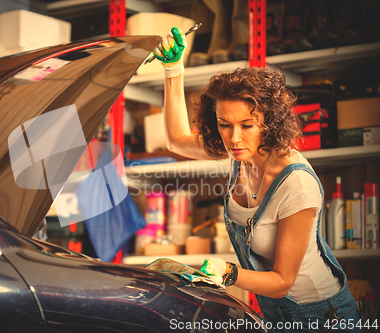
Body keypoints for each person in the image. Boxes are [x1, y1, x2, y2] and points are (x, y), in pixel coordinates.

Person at [152, 27, 361, 332]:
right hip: (276, 314)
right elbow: (175, 140)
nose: (234, 138)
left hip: (324, 316)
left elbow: (281, 282)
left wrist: (227, 273)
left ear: (269, 122)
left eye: (247, 124)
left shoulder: (295, 183)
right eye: (224, 124)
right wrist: (173, 70)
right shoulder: (240, 153)